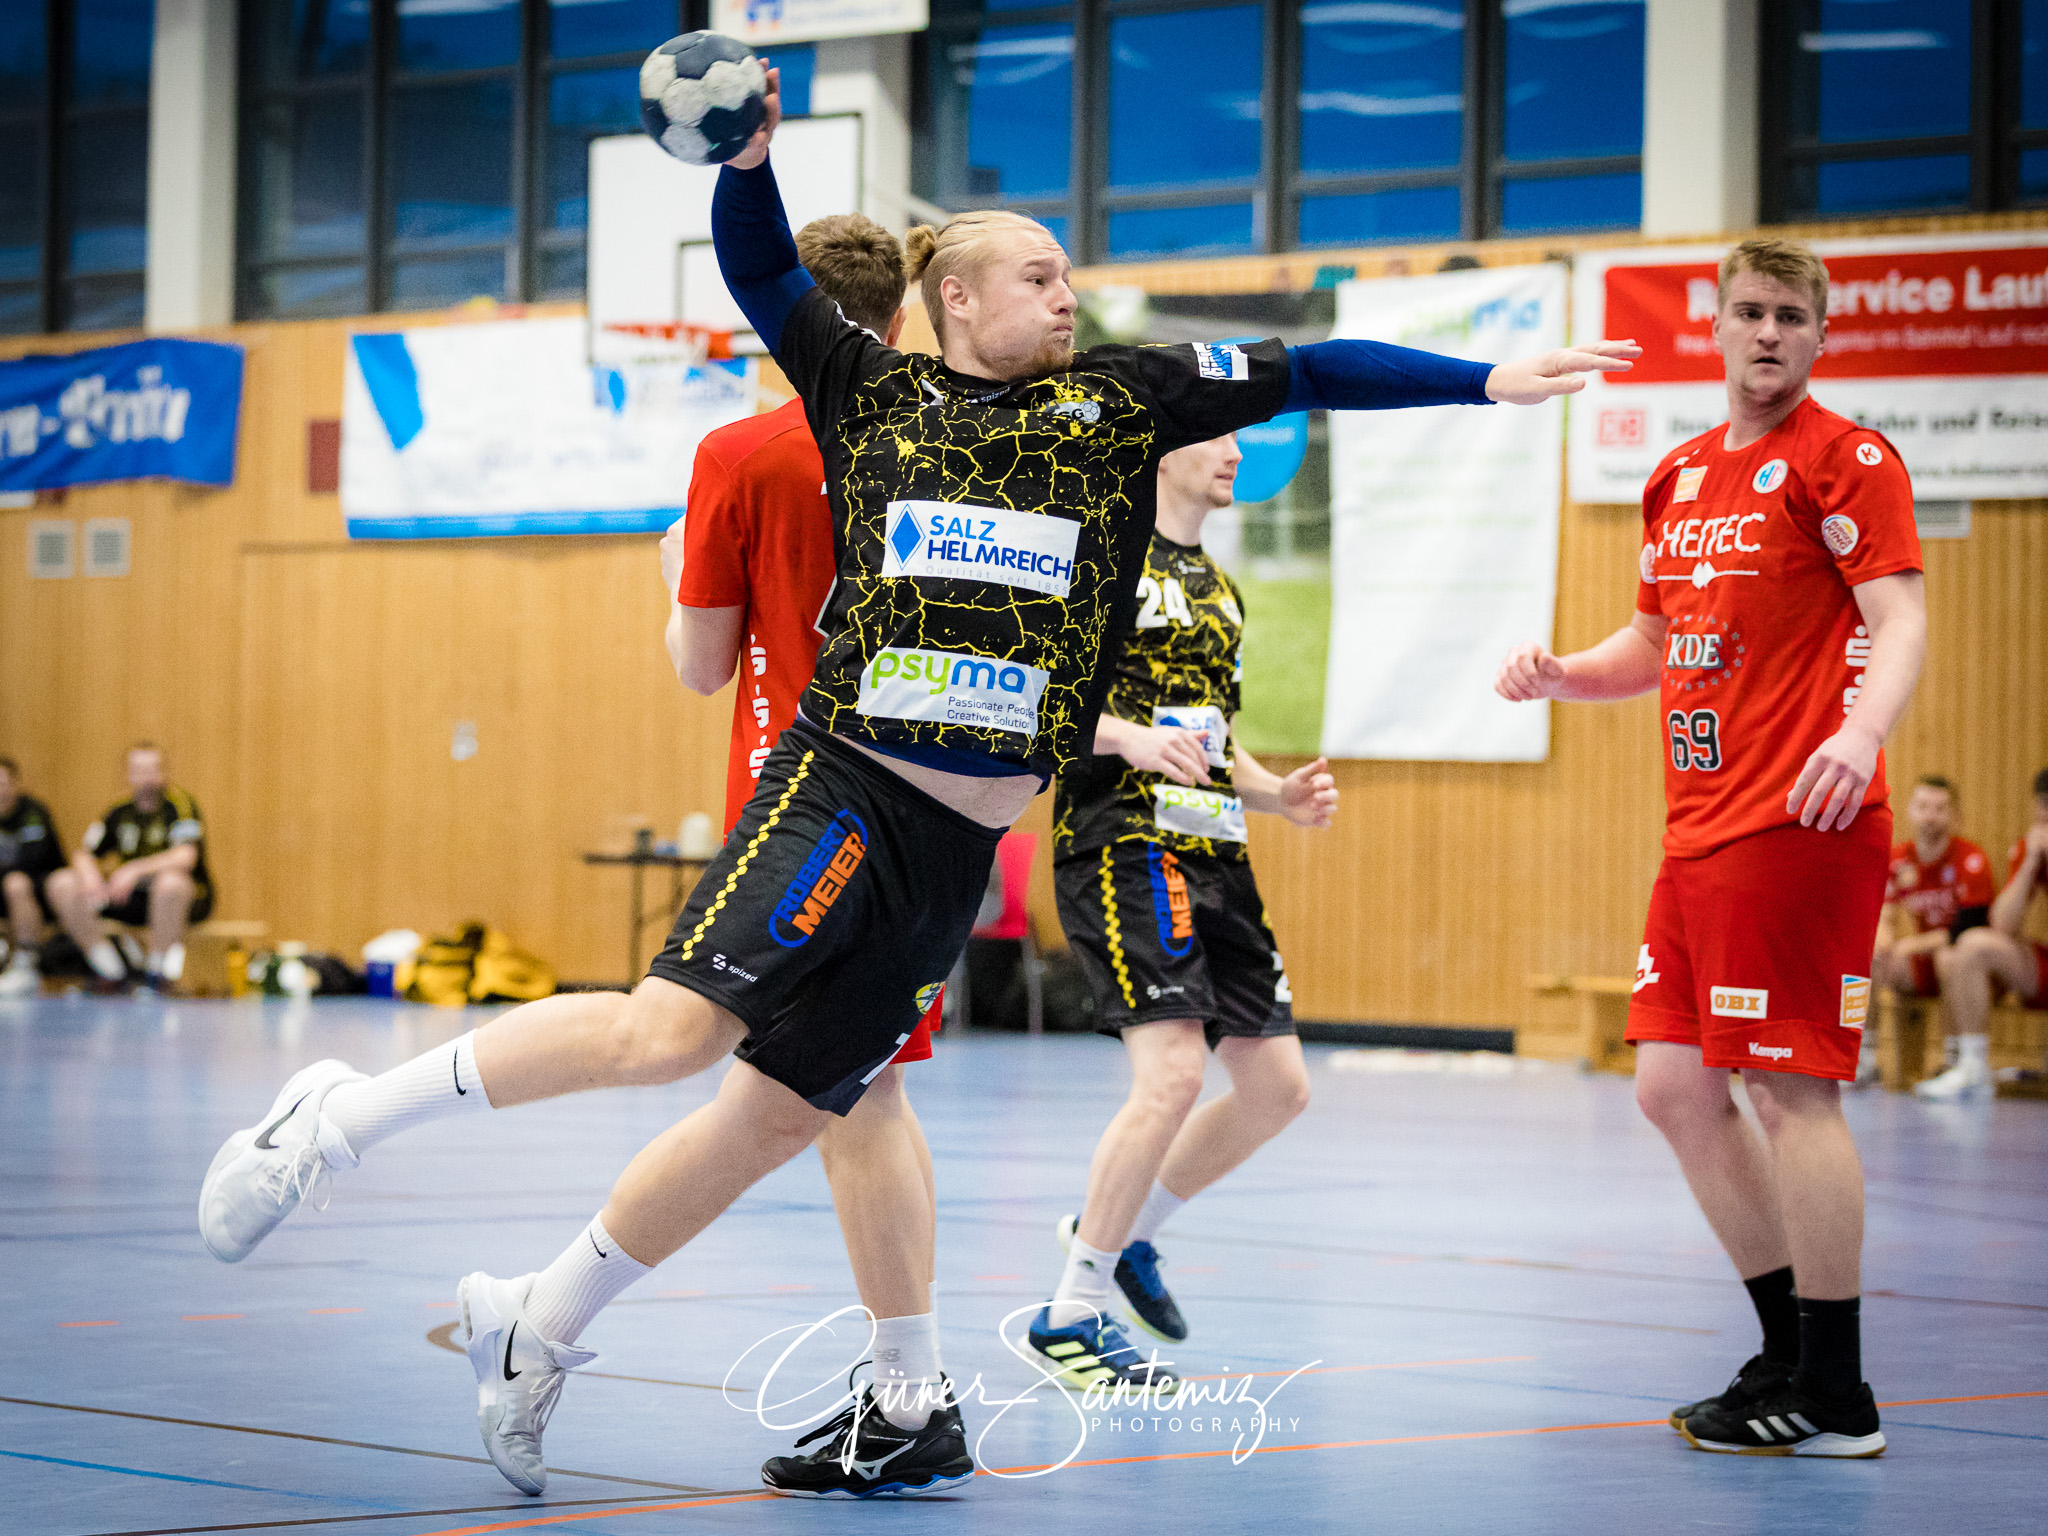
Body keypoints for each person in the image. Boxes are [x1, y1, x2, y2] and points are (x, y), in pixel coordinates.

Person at [199, 68, 1633, 1500]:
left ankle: (538, 1322)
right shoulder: (866, 389)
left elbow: (1311, 366)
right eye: (1039, 274)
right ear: (957, 297)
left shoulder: (1123, 400)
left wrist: (1488, 379)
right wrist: (749, 159)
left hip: (958, 853)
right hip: (842, 787)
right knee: (667, 1037)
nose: (1069, 295)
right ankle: (338, 1117)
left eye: (1073, 274)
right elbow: (759, 263)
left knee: (780, 1114)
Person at [1496, 236, 1925, 1458]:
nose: (1767, 333)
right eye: (1748, 312)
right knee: (1673, 1087)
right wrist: (1559, 675)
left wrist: (1859, 732)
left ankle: (1835, 1395)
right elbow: (1648, 645)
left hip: (1799, 820)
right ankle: (1781, 1349)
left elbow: (1900, 619)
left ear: (1817, 333)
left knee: (1790, 1093)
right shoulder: (1678, 477)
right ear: (1718, 325)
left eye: (1790, 315)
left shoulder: (1845, 459)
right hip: (1696, 829)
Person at [659, 210, 953, 1496]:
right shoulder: (956, 431)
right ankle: (907, 1387)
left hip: (801, 803)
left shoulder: (742, 448)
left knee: (723, 1064)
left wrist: (671, 568)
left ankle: (540, 1312)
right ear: (901, 316)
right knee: (867, 1091)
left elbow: (699, 664)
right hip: (938, 807)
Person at [1027, 433, 1332, 1378]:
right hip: (1122, 838)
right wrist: (1126, 738)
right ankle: (1070, 1314)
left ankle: (1121, 1230)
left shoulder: (1220, 588)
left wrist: (1278, 794)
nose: (1238, 451)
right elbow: (1037, 698)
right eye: (1218, 435)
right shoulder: (1100, 556)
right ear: (1161, 451)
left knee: (1279, 1087)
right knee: (1171, 1076)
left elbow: (1210, 736)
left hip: (1217, 852)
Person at [47, 743, 212, 991]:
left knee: (171, 882)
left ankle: (158, 974)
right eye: (138, 770)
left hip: (177, 899)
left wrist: (134, 869)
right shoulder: (119, 811)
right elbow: (84, 854)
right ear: (127, 774)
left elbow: (186, 856)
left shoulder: (180, 805)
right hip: (127, 898)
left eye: (151, 769)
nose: (145, 777)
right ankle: (109, 969)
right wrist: (90, 875)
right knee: (62, 882)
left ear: (163, 772)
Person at [1925, 766, 2048, 1098]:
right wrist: (2030, 863)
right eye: (2043, 806)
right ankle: (1973, 1068)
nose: (2045, 815)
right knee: (1973, 943)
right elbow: (2004, 925)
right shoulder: (2032, 849)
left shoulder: (1969, 855)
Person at [1867, 775, 1994, 1089]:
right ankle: (1865, 1059)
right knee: (1872, 955)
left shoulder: (1971, 858)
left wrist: (1909, 945)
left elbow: (1967, 929)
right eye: (1923, 806)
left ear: (1953, 814)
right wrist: (1882, 938)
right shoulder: (1898, 859)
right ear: (1910, 809)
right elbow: (1885, 911)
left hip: (1968, 964)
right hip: (1921, 963)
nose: (1930, 816)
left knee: (1951, 956)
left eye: (1940, 808)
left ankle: (1955, 1062)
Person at [0, 756, 65, 996]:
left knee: (16, 883)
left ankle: (26, 964)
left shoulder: (33, 812)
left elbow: (33, 860)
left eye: (3, 783)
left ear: (15, 785)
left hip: (41, 892)